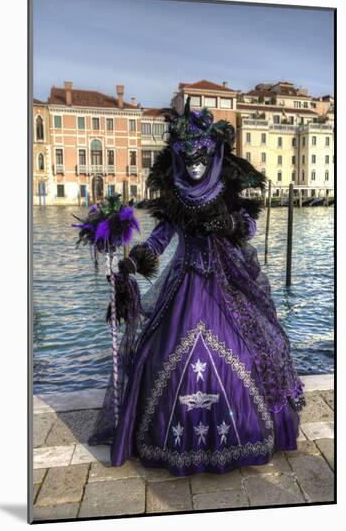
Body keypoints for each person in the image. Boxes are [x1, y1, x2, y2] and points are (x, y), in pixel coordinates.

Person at [87, 97, 306, 477]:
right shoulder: (174, 198)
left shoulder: (226, 190)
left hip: (226, 283)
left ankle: (244, 435)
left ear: (213, 154)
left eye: (200, 157)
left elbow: (248, 226)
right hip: (184, 283)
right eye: (187, 159)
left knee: (254, 350)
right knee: (157, 356)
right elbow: (158, 240)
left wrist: (229, 226)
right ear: (179, 159)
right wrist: (131, 263)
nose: (195, 166)